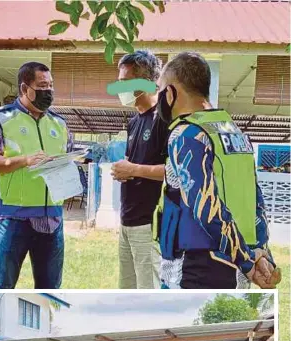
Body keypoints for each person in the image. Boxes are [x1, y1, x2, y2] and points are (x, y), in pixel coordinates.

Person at [154, 52, 281, 289]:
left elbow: (206, 208)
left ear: (170, 93)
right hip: (238, 263)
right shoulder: (234, 133)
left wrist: (246, 261)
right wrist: (260, 253)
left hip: (198, 266)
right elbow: (255, 200)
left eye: (160, 90)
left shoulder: (187, 134)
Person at [0, 62, 73, 289]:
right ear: (24, 89)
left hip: (52, 221)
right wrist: (24, 161)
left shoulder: (59, 124)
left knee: (50, 291)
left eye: (50, 86)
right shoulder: (1, 120)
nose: (48, 91)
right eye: (41, 86)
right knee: (2, 288)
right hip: (12, 219)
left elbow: (65, 161)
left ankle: (47, 325)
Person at [110, 50, 169, 289]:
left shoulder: (164, 119)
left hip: (149, 224)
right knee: (126, 291)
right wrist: (124, 171)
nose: (119, 87)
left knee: (149, 291)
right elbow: (136, 165)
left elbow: (174, 170)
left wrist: (132, 168)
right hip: (127, 220)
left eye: (125, 82)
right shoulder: (134, 121)